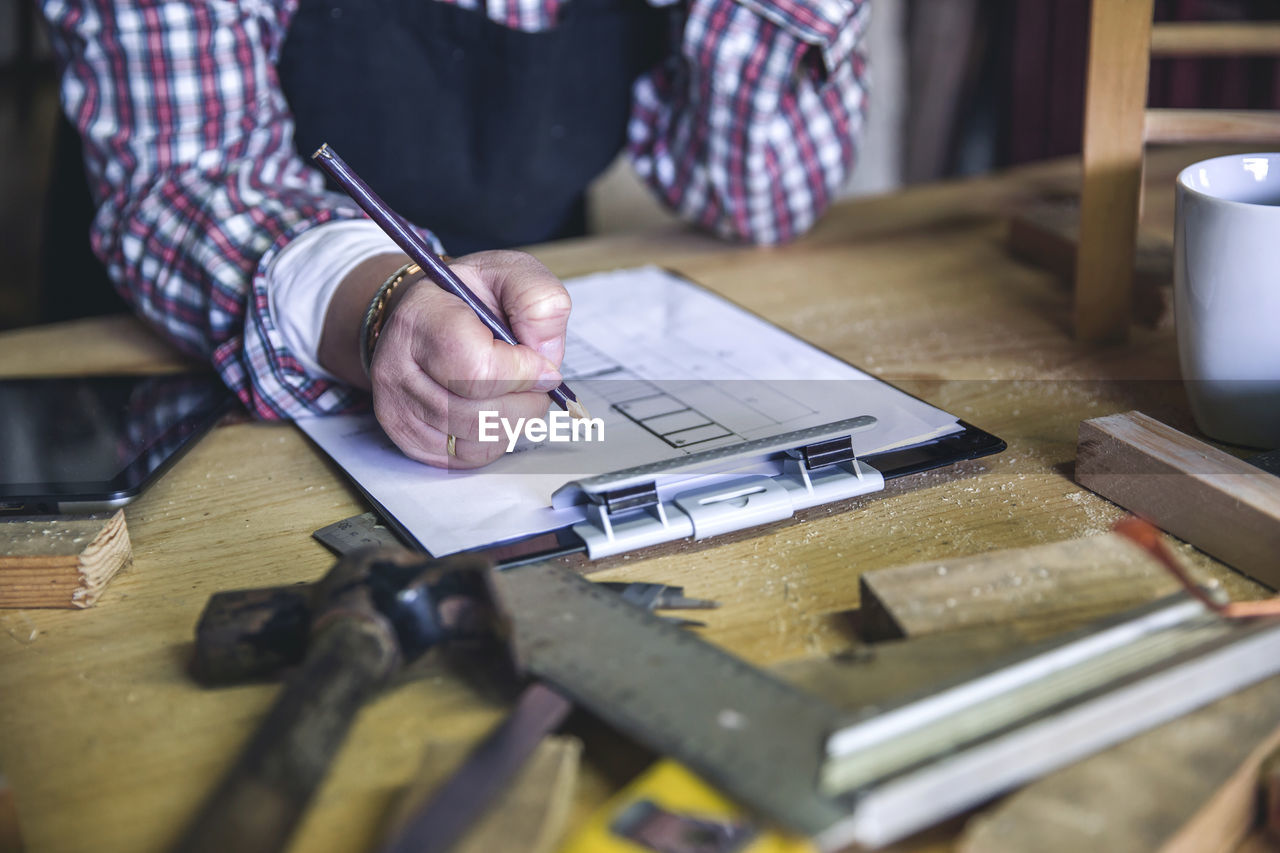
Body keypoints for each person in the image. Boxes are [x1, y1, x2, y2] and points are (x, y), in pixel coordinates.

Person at [39, 0, 869, 468]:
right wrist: (386, 303)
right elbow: (185, 174)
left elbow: (756, 197)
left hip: (526, 365)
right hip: (161, 404)